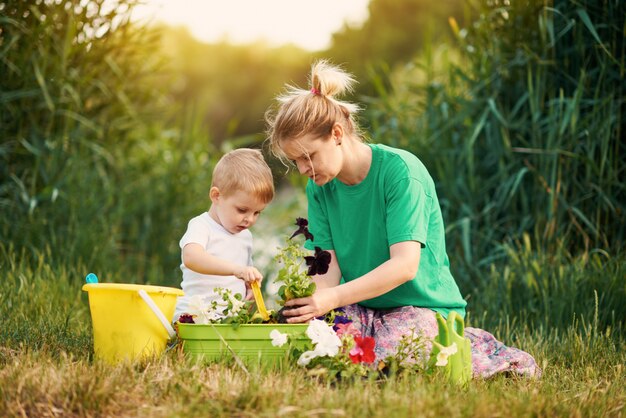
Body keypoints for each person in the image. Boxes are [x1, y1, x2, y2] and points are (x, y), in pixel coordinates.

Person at [265, 60, 540, 378]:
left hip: (422, 308)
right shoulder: (320, 187)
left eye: (308, 156)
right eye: (295, 161)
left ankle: (468, 343)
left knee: (387, 358)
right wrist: (311, 306)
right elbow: (326, 268)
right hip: (362, 306)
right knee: (312, 345)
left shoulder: (400, 172)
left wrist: (332, 297)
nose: (302, 170)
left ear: (337, 134)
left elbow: (404, 266)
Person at [173, 148, 274, 321]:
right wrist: (237, 270)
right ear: (216, 196)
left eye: (257, 212)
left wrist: (250, 286)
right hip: (196, 316)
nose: (250, 219)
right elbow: (191, 257)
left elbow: (244, 273)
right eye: (242, 210)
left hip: (230, 319)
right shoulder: (202, 226)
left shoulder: (245, 236)